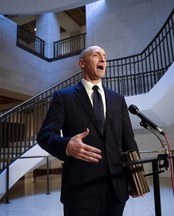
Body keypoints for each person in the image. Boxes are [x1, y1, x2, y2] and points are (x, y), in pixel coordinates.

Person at [37, 45, 140, 216]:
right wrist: (66, 146)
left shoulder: (118, 99)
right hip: (80, 191)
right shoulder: (64, 97)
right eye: (96, 55)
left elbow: (128, 141)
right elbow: (45, 135)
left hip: (116, 189)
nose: (103, 59)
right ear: (82, 63)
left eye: (105, 56)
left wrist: (136, 179)